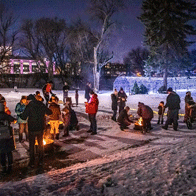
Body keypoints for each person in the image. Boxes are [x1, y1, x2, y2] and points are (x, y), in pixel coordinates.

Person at [19, 94, 52, 168]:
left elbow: (24, 117)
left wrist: (20, 115)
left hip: (32, 129)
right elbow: (50, 112)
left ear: (29, 100)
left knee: (32, 145)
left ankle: (32, 162)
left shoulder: (29, 106)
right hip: (40, 128)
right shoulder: (41, 104)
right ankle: (40, 161)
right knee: (40, 144)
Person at [0, 102, 16, 174]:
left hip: (0, 137)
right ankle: (10, 167)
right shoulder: (6, 116)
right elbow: (14, 120)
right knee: (9, 152)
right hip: (8, 136)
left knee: (1, 153)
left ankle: (3, 167)